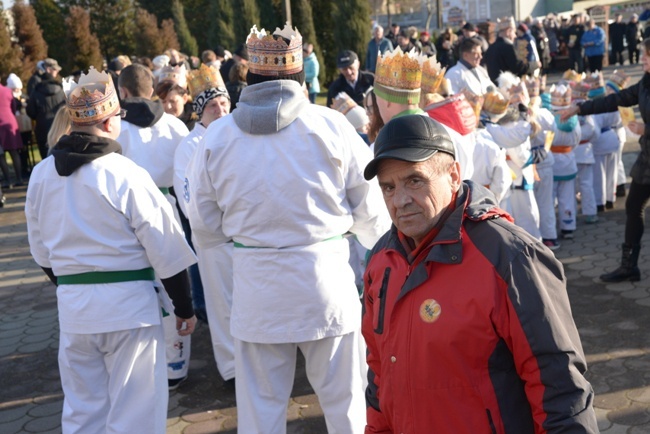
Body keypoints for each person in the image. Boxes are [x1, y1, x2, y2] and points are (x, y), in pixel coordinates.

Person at [185, 23, 389, 434]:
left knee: (261, 410)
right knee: (347, 406)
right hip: (325, 284)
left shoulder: (218, 136)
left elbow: (203, 224)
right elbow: (371, 212)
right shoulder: (332, 126)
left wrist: (247, 237)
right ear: (301, 75)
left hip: (258, 290)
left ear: (250, 76)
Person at [361, 113, 599, 434]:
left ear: (454, 175)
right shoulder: (381, 261)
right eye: (388, 187)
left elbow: (559, 386)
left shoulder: (510, 257)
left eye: (414, 180)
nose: (400, 200)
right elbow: (379, 372)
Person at [25, 66, 197, 434]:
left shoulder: (40, 175)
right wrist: (184, 307)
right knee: (136, 412)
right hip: (129, 310)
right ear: (107, 124)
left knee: (84, 411)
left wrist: (76, 287)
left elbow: (41, 252)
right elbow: (164, 247)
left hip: (74, 310)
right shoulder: (125, 173)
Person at [116, 64, 193, 388]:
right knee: (173, 280)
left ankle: (142, 363)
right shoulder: (175, 127)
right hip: (167, 207)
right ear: (152, 90)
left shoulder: (117, 129)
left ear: (123, 92)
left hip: (124, 213)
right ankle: (176, 366)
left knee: (139, 282)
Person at [560, 39, 650, 282]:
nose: (642, 59)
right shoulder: (645, 83)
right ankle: (629, 265)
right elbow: (615, 99)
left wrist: (646, 128)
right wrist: (580, 109)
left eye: (646, 56)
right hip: (647, 160)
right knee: (633, 207)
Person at [174, 64, 235, 384]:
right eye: (213, 105)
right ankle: (233, 368)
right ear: (200, 111)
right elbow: (188, 200)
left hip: (246, 237)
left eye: (224, 103)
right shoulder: (189, 147)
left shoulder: (240, 134)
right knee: (222, 306)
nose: (221, 109)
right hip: (214, 240)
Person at [26, 58, 66, 160]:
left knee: (46, 159)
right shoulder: (62, 90)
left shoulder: (36, 91)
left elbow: (30, 111)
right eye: (55, 69)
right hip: (61, 126)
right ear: (48, 69)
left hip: (43, 129)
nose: (57, 72)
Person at [484, 17, 528, 83]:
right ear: (508, 31)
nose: (515, 36)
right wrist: (530, 65)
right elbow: (517, 68)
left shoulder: (490, 48)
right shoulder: (509, 47)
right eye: (514, 32)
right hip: (509, 87)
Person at [0, 75, 24, 187]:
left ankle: (8, 180)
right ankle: (19, 178)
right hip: (9, 122)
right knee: (14, 152)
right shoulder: (7, 91)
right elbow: (13, 107)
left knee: (1, 156)